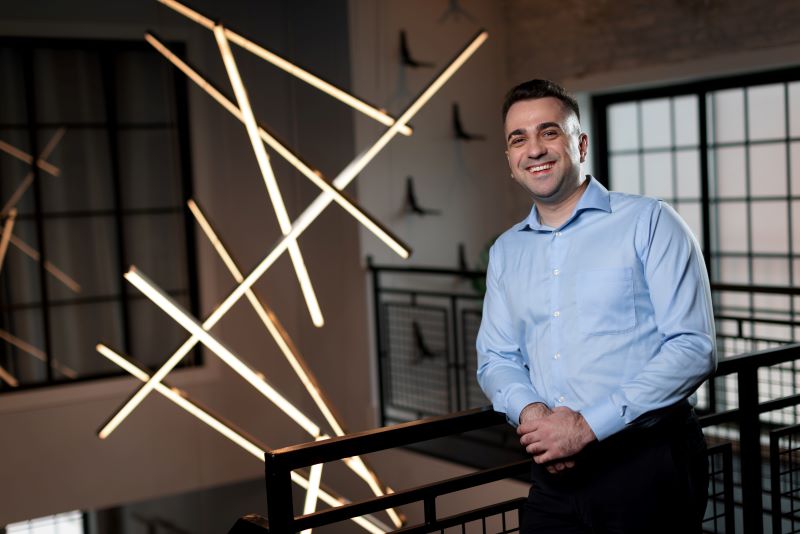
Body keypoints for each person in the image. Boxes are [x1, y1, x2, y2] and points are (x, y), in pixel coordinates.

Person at [476, 79, 717, 533]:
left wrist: (586, 427)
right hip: (553, 473)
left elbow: (693, 348)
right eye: (518, 138)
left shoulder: (650, 222)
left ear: (579, 144)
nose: (534, 149)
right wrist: (534, 416)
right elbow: (495, 356)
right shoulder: (507, 251)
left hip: (646, 464)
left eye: (549, 132)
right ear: (509, 161)